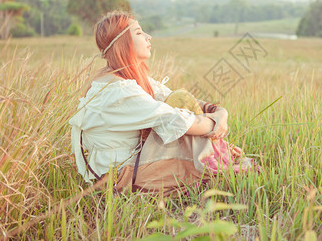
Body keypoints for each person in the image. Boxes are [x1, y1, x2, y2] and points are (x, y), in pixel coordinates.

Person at [69, 11, 253, 196]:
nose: (149, 37)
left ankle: (218, 154)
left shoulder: (120, 78)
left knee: (180, 101)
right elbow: (179, 121)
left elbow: (177, 99)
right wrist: (216, 124)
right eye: (139, 32)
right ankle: (219, 156)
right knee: (205, 162)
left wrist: (220, 113)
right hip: (122, 175)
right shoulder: (119, 91)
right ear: (123, 42)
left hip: (131, 164)